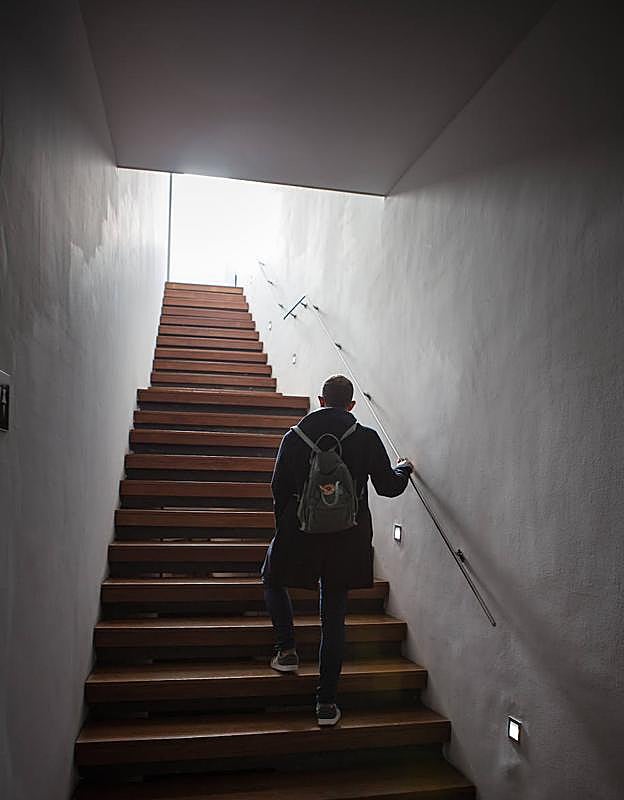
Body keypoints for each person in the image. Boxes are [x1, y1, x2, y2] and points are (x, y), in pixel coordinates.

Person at [261, 374, 414, 726]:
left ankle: (286, 651)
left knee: (271, 577)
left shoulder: (293, 438)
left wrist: (284, 535)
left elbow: (278, 490)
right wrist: (403, 469)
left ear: (319, 399)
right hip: (348, 540)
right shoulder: (366, 438)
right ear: (351, 405)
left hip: (299, 535)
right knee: (334, 617)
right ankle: (326, 704)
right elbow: (389, 487)